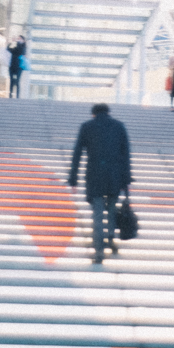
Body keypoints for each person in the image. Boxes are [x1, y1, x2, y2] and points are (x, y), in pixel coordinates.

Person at [67, 103, 132, 265]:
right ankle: (110, 238)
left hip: (95, 176)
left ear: (93, 114)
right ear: (108, 112)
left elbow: (77, 153)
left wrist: (73, 179)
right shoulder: (119, 126)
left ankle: (99, 252)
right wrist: (126, 180)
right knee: (110, 211)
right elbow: (126, 156)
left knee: (97, 215)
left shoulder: (87, 127)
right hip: (114, 177)